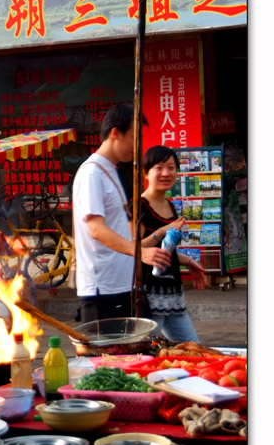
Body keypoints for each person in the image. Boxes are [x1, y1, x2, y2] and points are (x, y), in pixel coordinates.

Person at [72, 102, 171, 323]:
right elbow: (96, 230)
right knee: (110, 357)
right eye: (133, 138)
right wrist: (139, 252)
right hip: (103, 291)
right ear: (115, 133)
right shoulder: (92, 173)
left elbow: (124, 231)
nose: (137, 146)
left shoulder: (111, 171)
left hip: (121, 286)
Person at [140, 145, 206, 342]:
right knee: (144, 354)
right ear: (146, 173)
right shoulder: (139, 205)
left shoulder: (169, 206)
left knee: (192, 349)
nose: (166, 173)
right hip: (149, 295)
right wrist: (161, 231)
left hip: (172, 293)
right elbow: (132, 248)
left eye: (171, 168)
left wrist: (187, 261)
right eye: (159, 168)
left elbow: (165, 250)